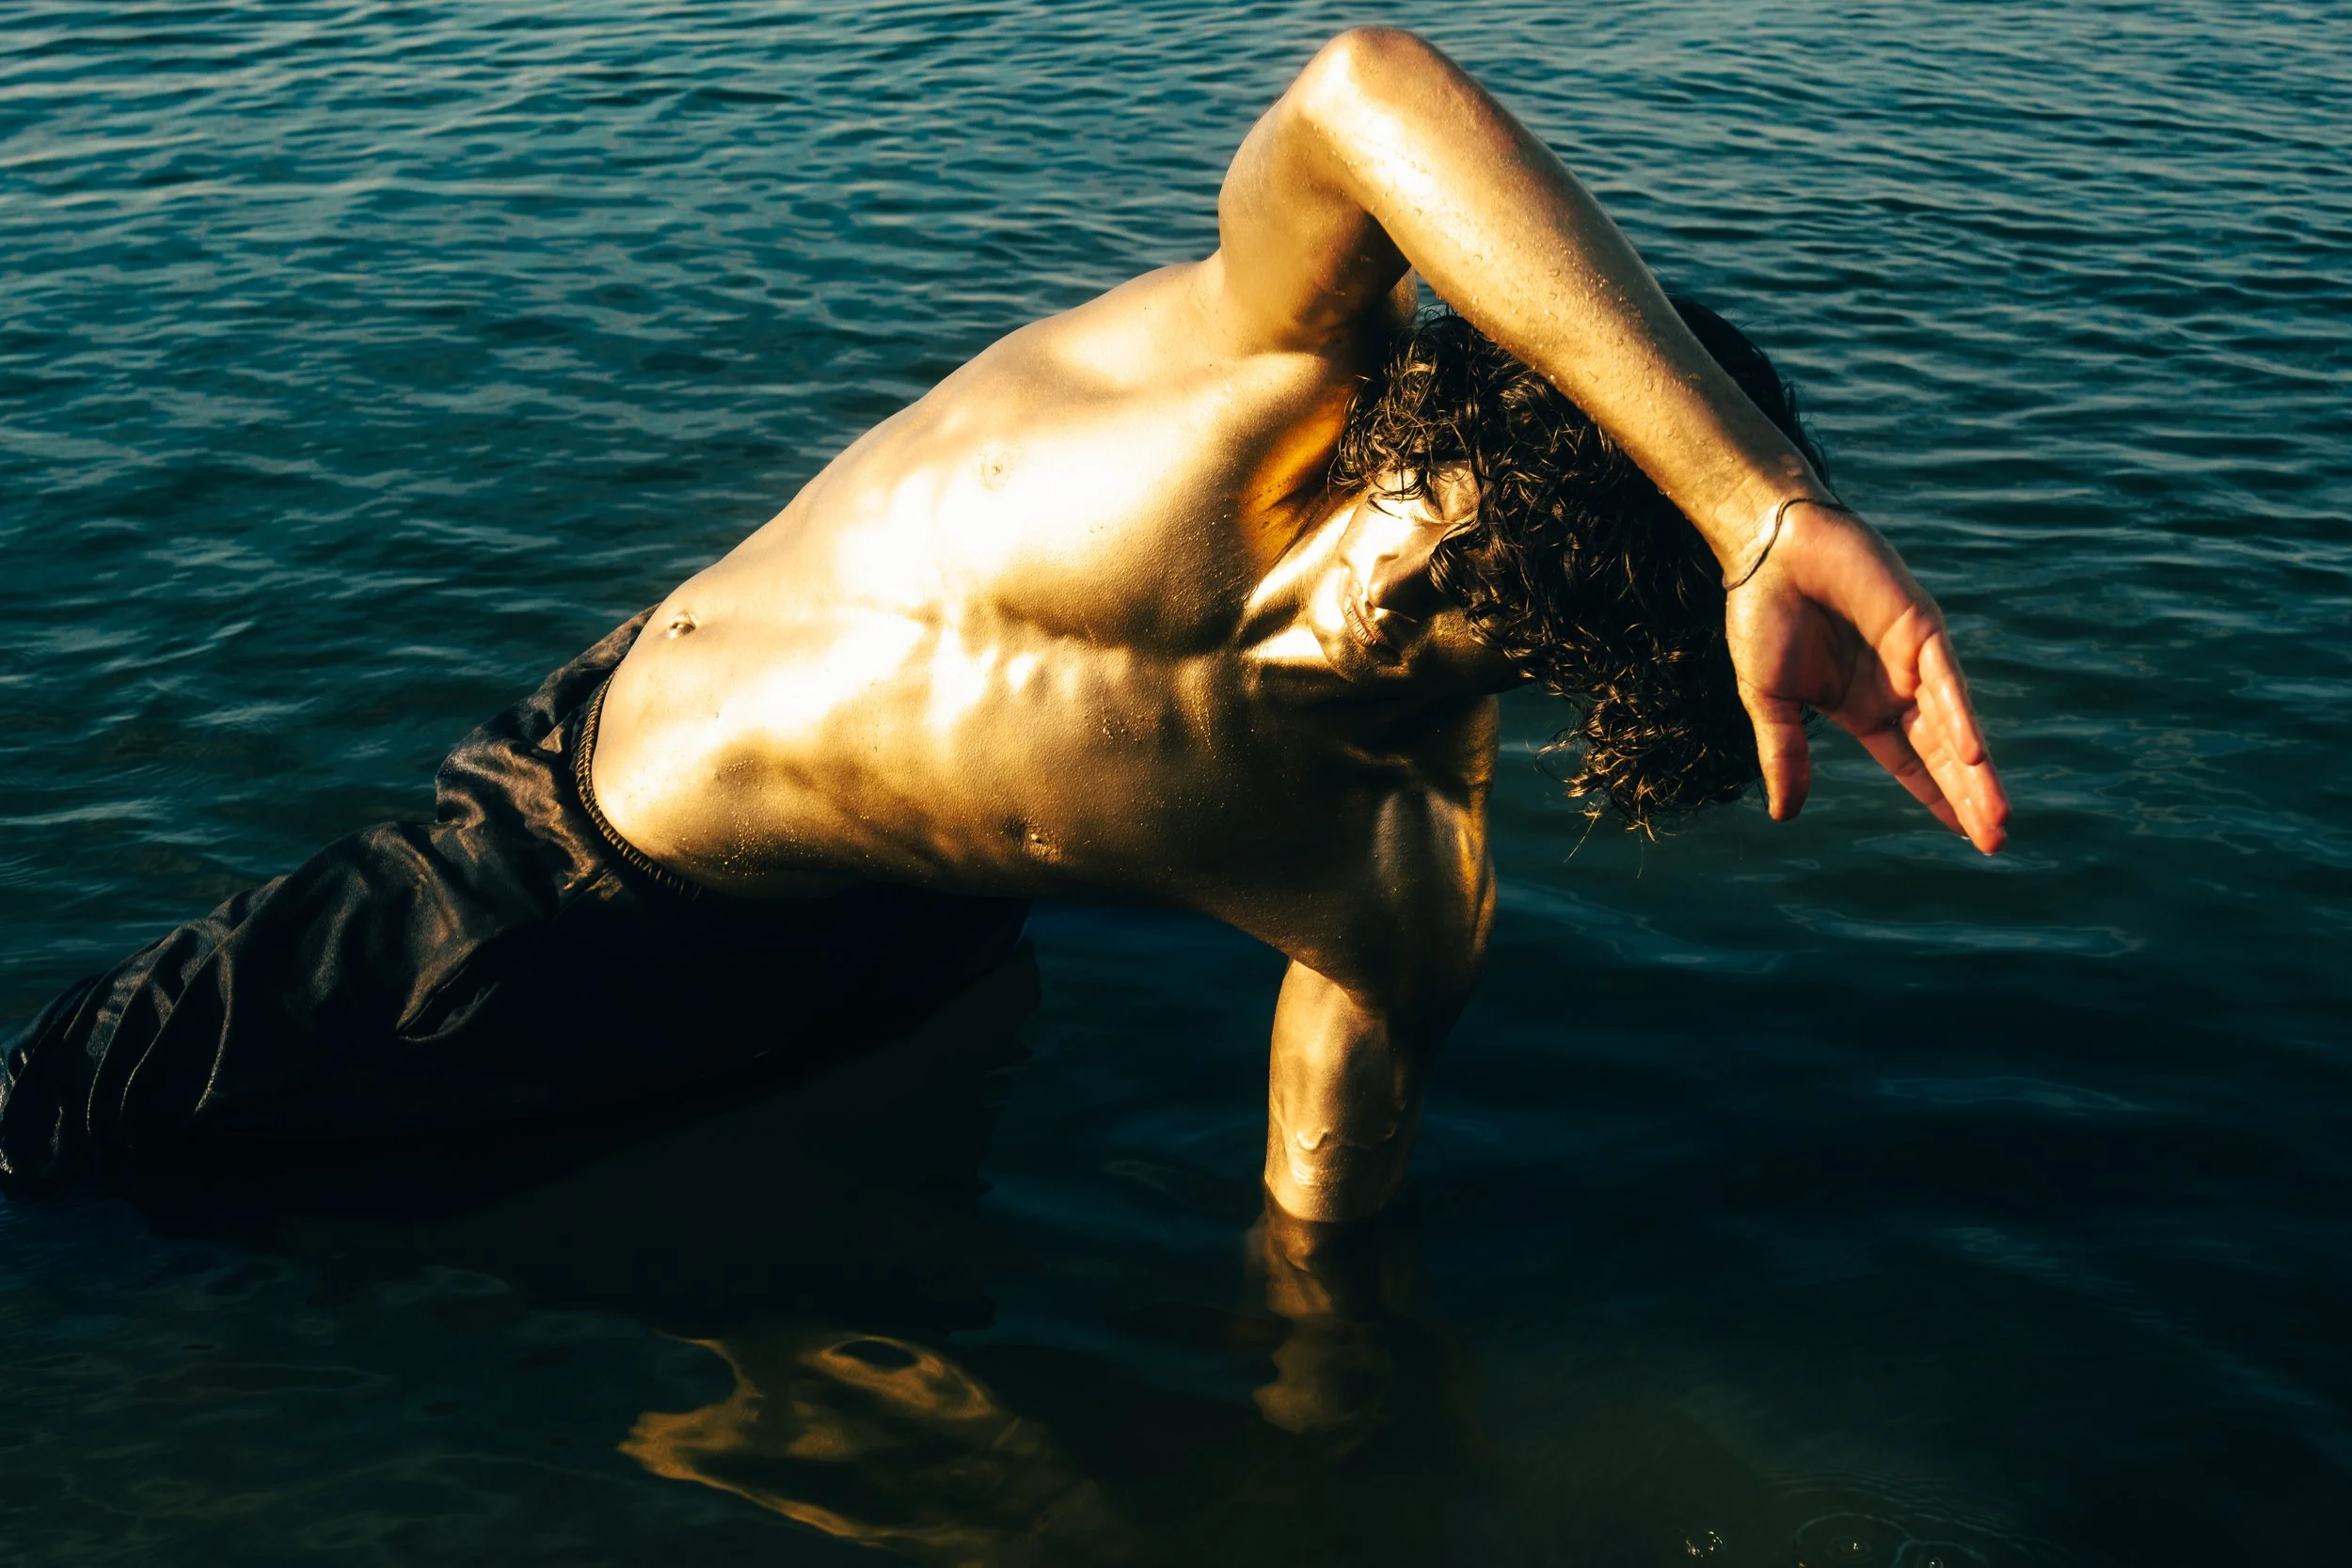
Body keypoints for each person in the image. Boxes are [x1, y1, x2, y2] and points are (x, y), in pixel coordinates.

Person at [0, 29, 2008, 1215]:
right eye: (1417, 526)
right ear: (1436, 412)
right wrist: (1755, 511)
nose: (1362, 605)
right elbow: (1358, 83)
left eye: (1465, 628)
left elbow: (1317, 1236)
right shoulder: (1255, 362)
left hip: (894, 962)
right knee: (67, 1139)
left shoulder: (1387, 868)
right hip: (563, 860)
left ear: (1560, 667)